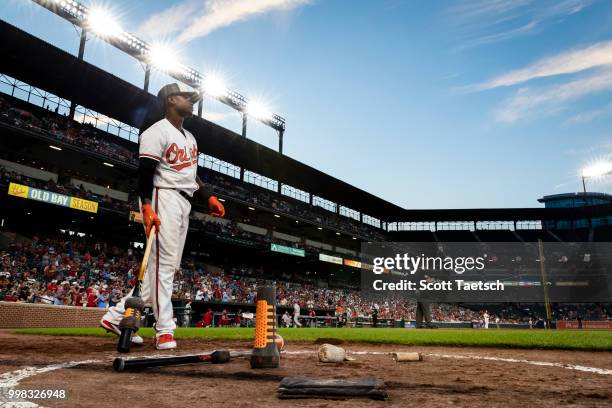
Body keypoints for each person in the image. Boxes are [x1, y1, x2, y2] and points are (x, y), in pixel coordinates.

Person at [100, 83, 225, 350]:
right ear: (170, 100)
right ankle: (164, 329)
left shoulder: (190, 137)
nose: (192, 103)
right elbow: (145, 172)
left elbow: (191, 175)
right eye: (186, 98)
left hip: (184, 200)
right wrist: (146, 206)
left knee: (164, 269)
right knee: (163, 269)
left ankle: (115, 317)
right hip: (162, 196)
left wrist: (208, 197)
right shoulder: (155, 132)